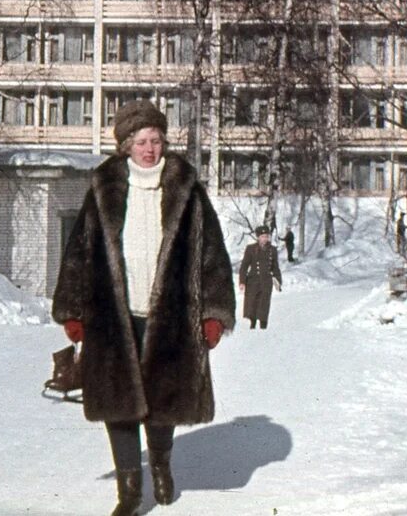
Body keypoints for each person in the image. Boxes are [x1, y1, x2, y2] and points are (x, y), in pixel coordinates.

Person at [52, 100, 236, 516]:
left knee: (162, 400)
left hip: (171, 316)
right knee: (118, 405)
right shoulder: (104, 189)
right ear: (125, 146)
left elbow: (213, 256)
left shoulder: (187, 190)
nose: (149, 149)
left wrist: (213, 314)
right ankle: (130, 493)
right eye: (141, 142)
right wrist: (73, 311)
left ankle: (161, 464)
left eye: (155, 140)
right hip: (112, 317)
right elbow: (79, 252)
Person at [239, 225, 282, 329]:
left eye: (266, 236)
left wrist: (278, 280)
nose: (265, 238)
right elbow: (244, 266)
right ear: (258, 237)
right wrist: (242, 281)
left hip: (266, 282)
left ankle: (263, 327)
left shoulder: (272, 250)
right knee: (252, 305)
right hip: (253, 281)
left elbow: (275, 267)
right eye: (262, 236)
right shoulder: (251, 249)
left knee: (264, 305)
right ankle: (252, 326)